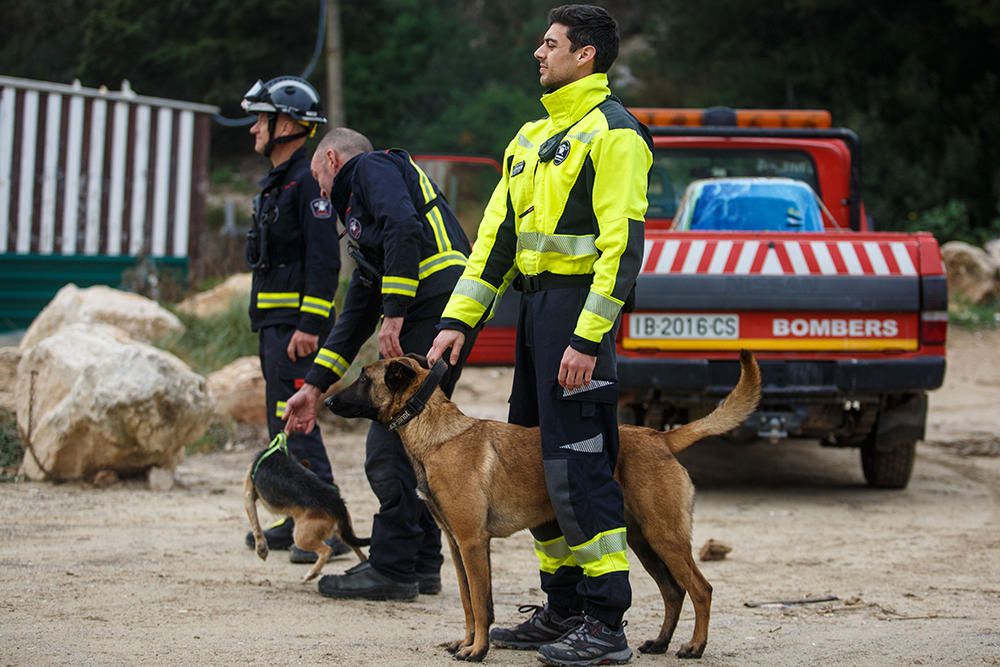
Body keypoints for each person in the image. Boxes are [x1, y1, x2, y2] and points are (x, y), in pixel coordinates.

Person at [427, 5, 652, 665]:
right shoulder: (529, 138)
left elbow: (622, 248)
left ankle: (606, 624)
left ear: (585, 55)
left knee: (579, 467)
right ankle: (562, 609)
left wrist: (586, 339)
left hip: (576, 318)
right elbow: (494, 243)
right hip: (535, 319)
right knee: (539, 468)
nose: (537, 53)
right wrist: (453, 326)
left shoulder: (615, 133)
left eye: (549, 44)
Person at [282, 127, 476, 601]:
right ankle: (421, 563)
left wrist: (395, 309)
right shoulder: (365, 223)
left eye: (318, 178)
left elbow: (403, 227)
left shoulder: (370, 169)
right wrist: (314, 386)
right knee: (418, 440)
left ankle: (392, 569)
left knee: (389, 440)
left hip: (435, 310)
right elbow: (352, 319)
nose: (321, 193)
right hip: (439, 309)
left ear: (331, 158)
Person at [240, 76, 345, 563]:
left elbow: (325, 262)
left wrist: (309, 325)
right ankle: (296, 514)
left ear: (287, 125)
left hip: (296, 330)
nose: (253, 130)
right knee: (280, 425)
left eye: (261, 119)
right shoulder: (278, 184)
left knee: (299, 424)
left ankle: (329, 528)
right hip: (275, 325)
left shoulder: (307, 185)